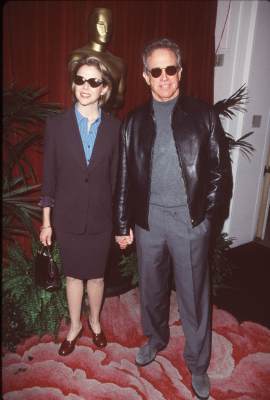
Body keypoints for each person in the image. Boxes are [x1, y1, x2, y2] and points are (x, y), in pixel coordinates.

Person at [115, 38, 232, 400]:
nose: (164, 77)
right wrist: (122, 223)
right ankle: (156, 338)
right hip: (148, 222)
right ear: (145, 76)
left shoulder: (203, 116)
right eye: (156, 71)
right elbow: (123, 177)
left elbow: (219, 176)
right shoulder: (133, 122)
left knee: (194, 297)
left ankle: (197, 364)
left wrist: (207, 221)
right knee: (151, 290)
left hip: (188, 221)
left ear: (180, 72)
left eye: (170, 69)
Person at [40, 55, 120, 356]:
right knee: (73, 276)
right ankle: (75, 326)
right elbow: (49, 177)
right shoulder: (57, 125)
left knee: (97, 276)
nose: (85, 86)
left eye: (93, 81)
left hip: (100, 217)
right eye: (80, 79)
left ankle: (95, 322)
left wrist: (119, 222)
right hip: (68, 216)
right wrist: (46, 222)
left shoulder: (115, 129)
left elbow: (116, 180)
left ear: (104, 89)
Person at [69, 7, 126, 111]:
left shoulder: (118, 62)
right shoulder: (79, 57)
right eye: (101, 25)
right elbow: (77, 93)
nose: (106, 30)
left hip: (109, 120)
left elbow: (119, 98)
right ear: (91, 26)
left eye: (109, 25)